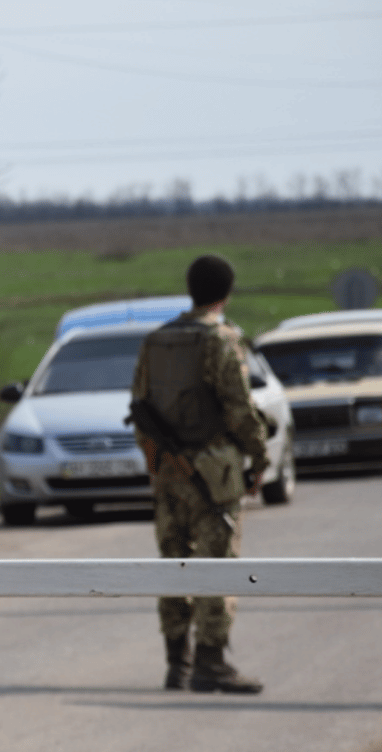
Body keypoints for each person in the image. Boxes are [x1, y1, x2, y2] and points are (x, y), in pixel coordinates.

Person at [130, 254, 269, 694]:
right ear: (225, 294)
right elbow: (239, 408)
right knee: (217, 565)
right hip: (215, 473)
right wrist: (260, 457)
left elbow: (140, 406)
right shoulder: (221, 340)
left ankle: (177, 662)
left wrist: (158, 463)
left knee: (173, 563)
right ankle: (210, 662)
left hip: (169, 473)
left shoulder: (156, 341)